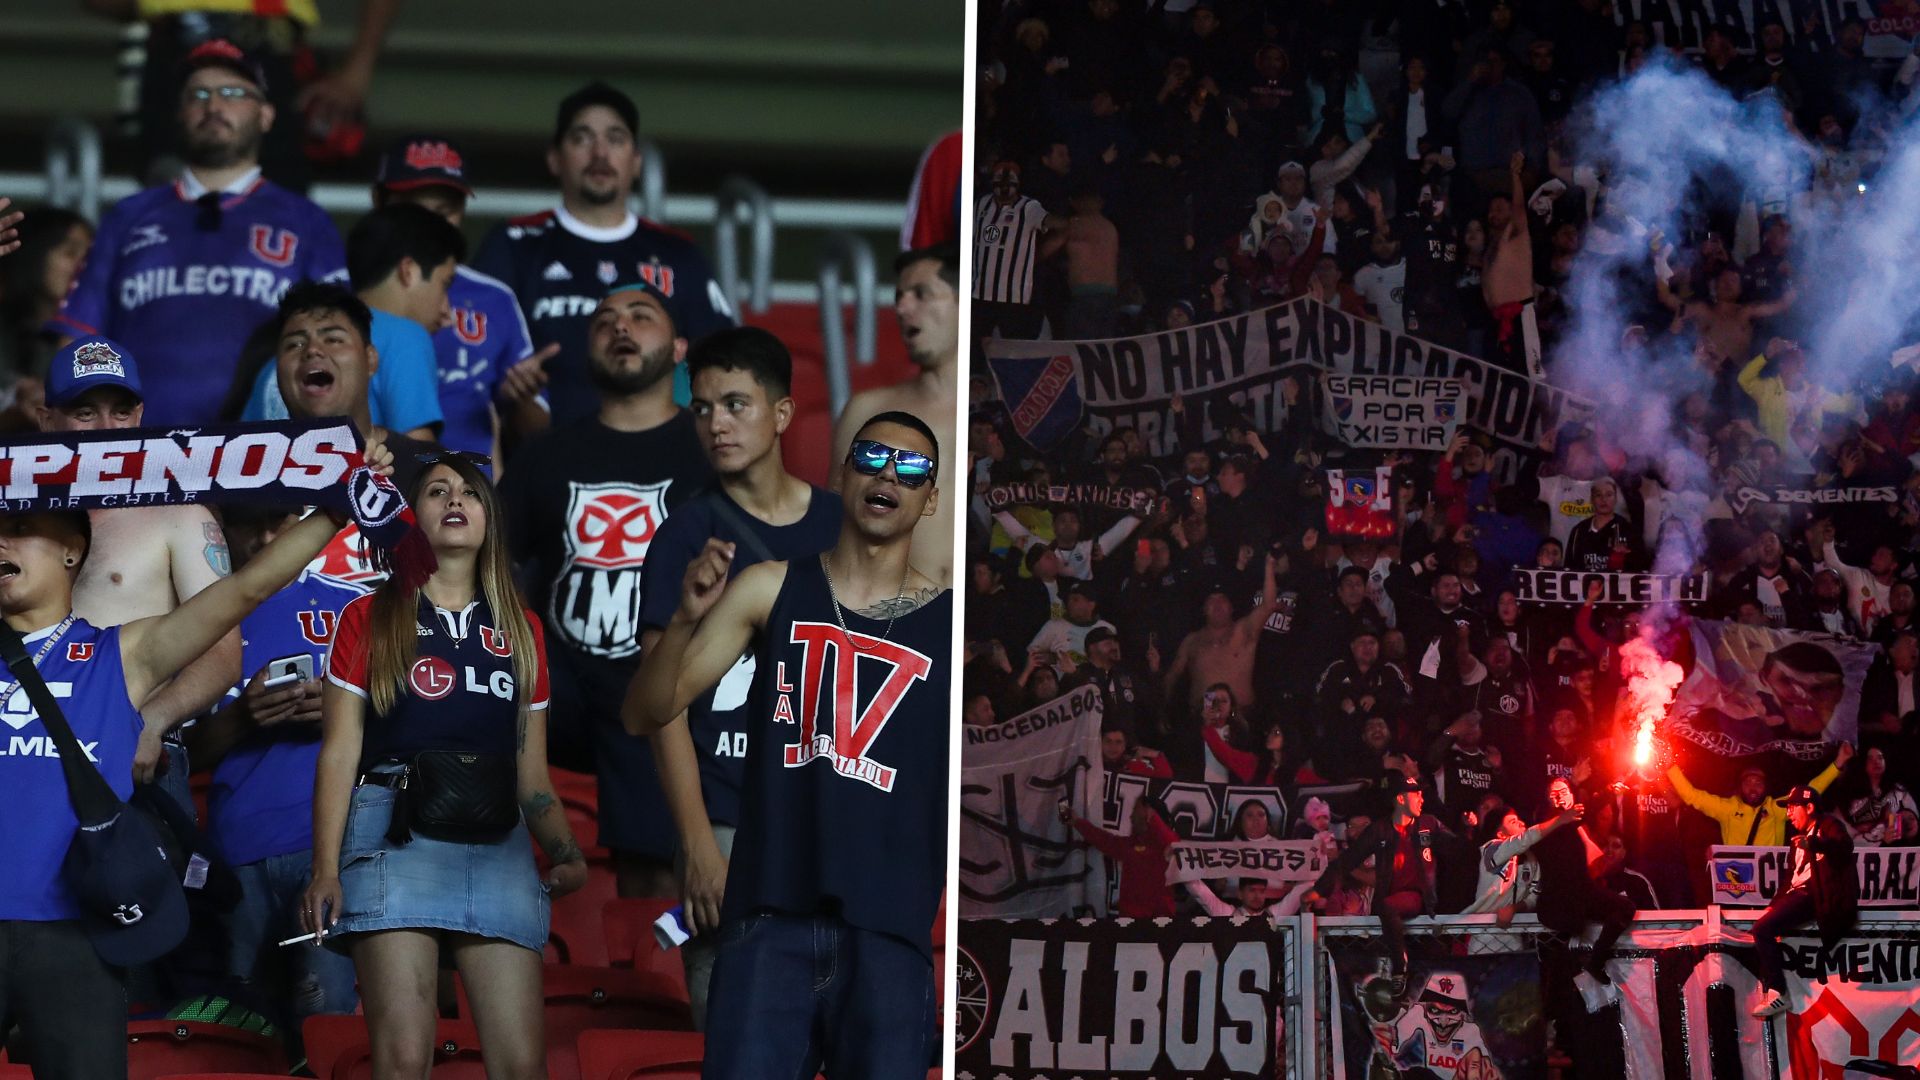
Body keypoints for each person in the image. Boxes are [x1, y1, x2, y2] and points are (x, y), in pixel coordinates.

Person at [0, 439, 364, 1078]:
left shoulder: (123, 654)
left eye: (22, 528)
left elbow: (246, 589)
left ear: (72, 550)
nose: (2, 541)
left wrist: (337, 508)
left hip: (76, 937)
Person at [628, 412, 950, 1078]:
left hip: (891, 927)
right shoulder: (768, 586)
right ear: (841, 475)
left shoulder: (954, 623)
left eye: (911, 466)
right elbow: (645, 712)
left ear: (931, 498)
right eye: (871, 456)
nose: (888, 472)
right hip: (768, 915)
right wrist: (685, 617)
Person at [303, 454, 589, 1078]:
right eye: (436, 490)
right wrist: (324, 869)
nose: (454, 499)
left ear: (490, 518)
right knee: (404, 1061)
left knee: (522, 1068)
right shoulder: (367, 615)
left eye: (470, 492)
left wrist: (565, 850)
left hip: (499, 838)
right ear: (411, 516)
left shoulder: (523, 627)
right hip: (394, 830)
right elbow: (340, 753)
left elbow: (531, 772)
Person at [626, 327, 840, 1030]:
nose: (717, 424)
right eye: (704, 408)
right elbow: (663, 706)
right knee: (735, 1040)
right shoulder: (684, 535)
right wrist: (695, 846)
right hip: (724, 819)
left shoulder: (842, 527)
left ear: (782, 414)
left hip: (826, 816)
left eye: (737, 405)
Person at [501, 282, 714, 894]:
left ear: (678, 349)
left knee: (647, 695)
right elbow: (492, 567)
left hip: (674, 682)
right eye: (604, 321)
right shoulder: (547, 455)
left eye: (640, 317)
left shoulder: (708, 450)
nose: (620, 327)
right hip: (564, 685)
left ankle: (647, 957)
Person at [50, 40, 345, 425]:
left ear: (267, 115)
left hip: (264, 455)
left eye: (234, 93)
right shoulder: (127, 217)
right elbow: (77, 342)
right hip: (138, 454)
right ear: (180, 113)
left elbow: (343, 346)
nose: (214, 106)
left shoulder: (308, 221)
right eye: (199, 94)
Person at [181, 502, 367, 1042]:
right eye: (248, 520)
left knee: (328, 1029)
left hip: (334, 842)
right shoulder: (200, 616)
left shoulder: (356, 606)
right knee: (234, 1031)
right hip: (235, 848)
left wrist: (345, 709)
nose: (264, 535)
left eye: (279, 518)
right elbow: (170, 753)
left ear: (306, 520)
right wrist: (242, 717)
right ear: (222, 525)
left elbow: (412, 727)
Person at [36, 338, 242, 801]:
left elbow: (223, 652)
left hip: (138, 754)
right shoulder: (16, 526)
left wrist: (150, 721)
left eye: (121, 412)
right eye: (85, 412)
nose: (107, 428)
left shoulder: (181, 515)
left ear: (141, 416)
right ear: (46, 421)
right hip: (24, 747)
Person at [474, 82, 734, 426]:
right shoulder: (513, 243)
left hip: (661, 461)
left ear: (636, 160)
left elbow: (724, 366)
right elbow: (470, 364)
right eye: (582, 138)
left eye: (615, 139)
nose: (599, 153)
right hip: (539, 458)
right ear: (555, 158)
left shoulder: (679, 253)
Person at [370, 134, 547, 464]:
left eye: (446, 211)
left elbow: (538, 431)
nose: (432, 225)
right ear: (379, 201)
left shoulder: (493, 298)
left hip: (469, 502)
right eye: (416, 210)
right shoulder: (337, 295)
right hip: (361, 498)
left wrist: (522, 399)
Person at [241, 202, 449, 441]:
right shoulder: (405, 337)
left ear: (371, 359)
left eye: (333, 339)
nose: (312, 350)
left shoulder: (269, 363)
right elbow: (419, 459)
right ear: (408, 270)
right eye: (445, 284)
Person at [831, 247, 960, 585]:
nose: (902, 309)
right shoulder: (867, 411)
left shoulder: (1000, 413)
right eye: (899, 297)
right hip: (892, 620)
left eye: (921, 294)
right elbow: (833, 523)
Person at [1303, 775, 1445, 976]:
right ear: (1400, 799)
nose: (1421, 799)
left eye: (1422, 794)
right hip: (1379, 927)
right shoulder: (1380, 830)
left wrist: (1469, 829)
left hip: (1423, 911)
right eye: (1416, 794)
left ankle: (1400, 967)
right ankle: (1399, 967)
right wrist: (1318, 890)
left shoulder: (1428, 824)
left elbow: (1457, 849)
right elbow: (1346, 863)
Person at [1749, 785, 1859, 1017]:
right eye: (1787, 808)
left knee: (1762, 929)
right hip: (1798, 894)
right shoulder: (1797, 840)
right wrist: (1774, 905)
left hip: (1813, 896)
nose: (1788, 813)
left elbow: (1844, 847)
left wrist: (1815, 845)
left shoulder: (1827, 825)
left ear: (1809, 807)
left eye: (1792, 807)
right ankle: (1770, 991)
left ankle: (1779, 993)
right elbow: (1791, 877)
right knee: (1762, 927)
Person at [1532, 777, 1634, 1002]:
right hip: (1558, 899)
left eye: (1565, 791)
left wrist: (1609, 790)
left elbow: (1589, 808)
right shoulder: (1544, 822)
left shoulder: (1575, 823)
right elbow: (1546, 831)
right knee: (1559, 968)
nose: (1560, 796)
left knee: (1625, 908)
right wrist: (1560, 816)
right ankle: (1552, 1009)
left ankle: (1596, 961)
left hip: (1582, 891)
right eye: (1554, 792)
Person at [972, 161, 1061, 340]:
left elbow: (1053, 223)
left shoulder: (1029, 207)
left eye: (1009, 181)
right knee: (975, 351)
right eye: (999, 180)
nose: (1004, 186)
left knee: (1011, 351)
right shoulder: (980, 204)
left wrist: (1041, 252)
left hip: (1015, 298)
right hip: (978, 294)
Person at [1062, 796, 1179, 919]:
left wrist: (1153, 819)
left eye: (1135, 810)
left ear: (1147, 811)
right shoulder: (1130, 845)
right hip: (1129, 924)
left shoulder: (1165, 844)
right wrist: (1076, 821)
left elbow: (1173, 843)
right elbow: (1104, 840)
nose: (1131, 817)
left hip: (1160, 926)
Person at [1464, 800, 1577, 921]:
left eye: (1519, 820)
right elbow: (1524, 839)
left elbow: (1533, 897)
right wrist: (1559, 819)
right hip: (1482, 928)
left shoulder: (1531, 860)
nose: (1521, 823)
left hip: (1515, 930)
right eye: (1513, 822)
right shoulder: (1492, 850)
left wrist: (1514, 908)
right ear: (1501, 834)